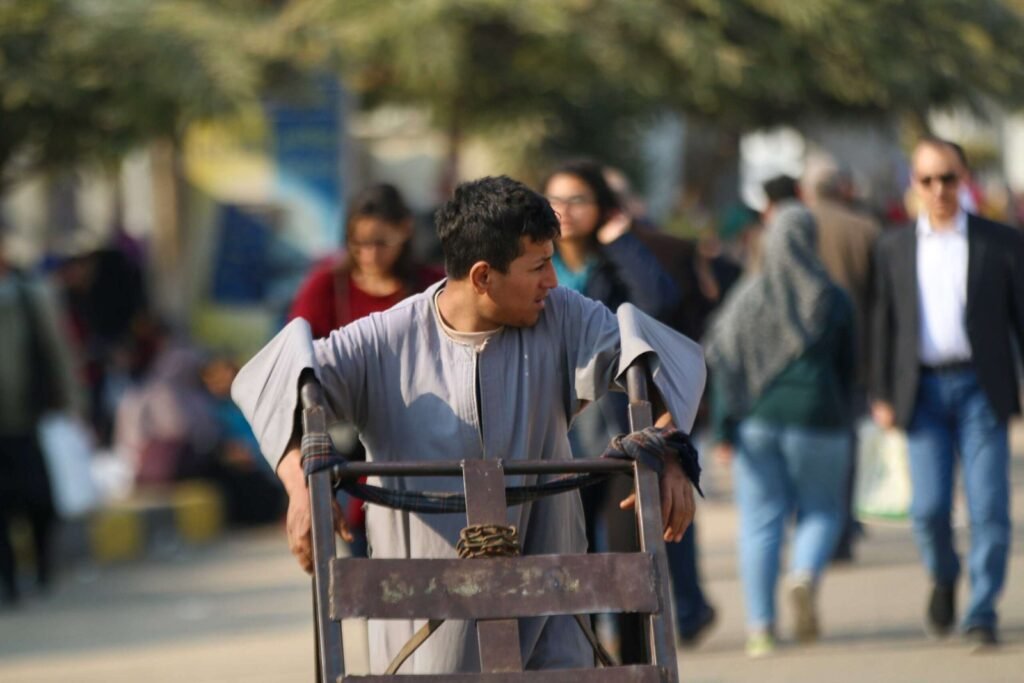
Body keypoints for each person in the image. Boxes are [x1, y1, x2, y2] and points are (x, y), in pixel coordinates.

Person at [232, 175, 705, 674]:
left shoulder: (563, 317)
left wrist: (670, 448)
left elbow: (662, 359)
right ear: (483, 276)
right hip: (421, 635)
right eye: (539, 266)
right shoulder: (384, 340)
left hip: (553, 618)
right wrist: (299, 486)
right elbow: (271, 378)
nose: (552, 280)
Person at [869, 137, 1024, 649]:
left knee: (989, 508)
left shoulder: (998, 241)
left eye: (949, 178)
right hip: (923, 392)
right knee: (929, 510)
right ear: (914, 185)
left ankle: (982, 610)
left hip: (983, 388)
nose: (939, 189)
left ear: (964, 180)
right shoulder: (893, 246)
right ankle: (943, 574)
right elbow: (882, 324)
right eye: (928, 179)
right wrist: (881, 393)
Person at [704, 202, 854, 657]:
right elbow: (851, 367)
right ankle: (804, 573)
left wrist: (725, 430)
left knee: (760, 523)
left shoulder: (747, 298)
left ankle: (760, 628)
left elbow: (725, 362)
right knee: (823, 511)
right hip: (820, 420)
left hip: (757, 423)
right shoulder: (831, 296)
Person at [289, 183, 442, 554]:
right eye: (359, 243)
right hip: (352, 454)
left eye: (381, 242)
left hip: (420, 447)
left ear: (405, 230)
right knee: (369, 574)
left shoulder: (431, 286)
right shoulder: (327, 286)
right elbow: (294, 360)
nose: (369, 254)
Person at [803, 161, 882, 561]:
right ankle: (842, 526)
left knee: (808, 438)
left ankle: (813, 523)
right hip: (856, 350)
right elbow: (882, 296)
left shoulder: (794, 227)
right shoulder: (865, 228)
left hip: (803, 353)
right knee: (847, 439)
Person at [0, 245, 82, 606]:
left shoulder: (31, 296)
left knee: (39, 501)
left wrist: (73, 404)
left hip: (27, 419)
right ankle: (9, 584)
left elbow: (59, 351)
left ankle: (42, 567)